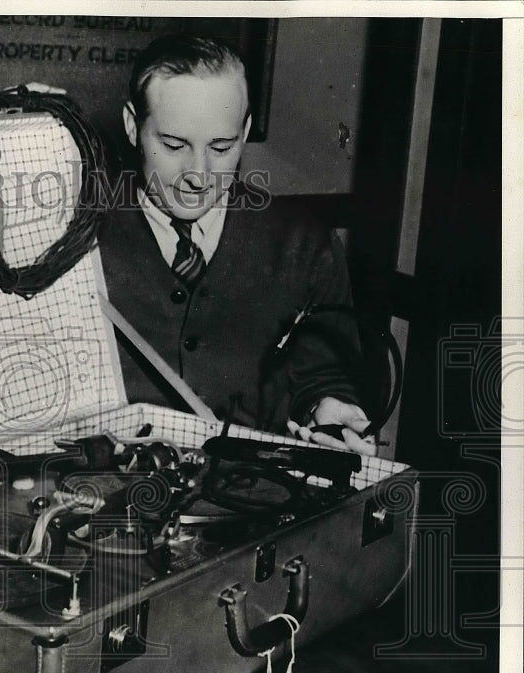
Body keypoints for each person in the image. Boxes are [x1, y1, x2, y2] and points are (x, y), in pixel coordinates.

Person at [95, 34, 377, 456]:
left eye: (222, 147)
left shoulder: (304, 242)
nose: (199, 173)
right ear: (133, 126)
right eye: (174, 145)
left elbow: (323, 374)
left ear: (244, 131)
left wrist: (329, 406)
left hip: (251, 499)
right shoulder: (78, 231)